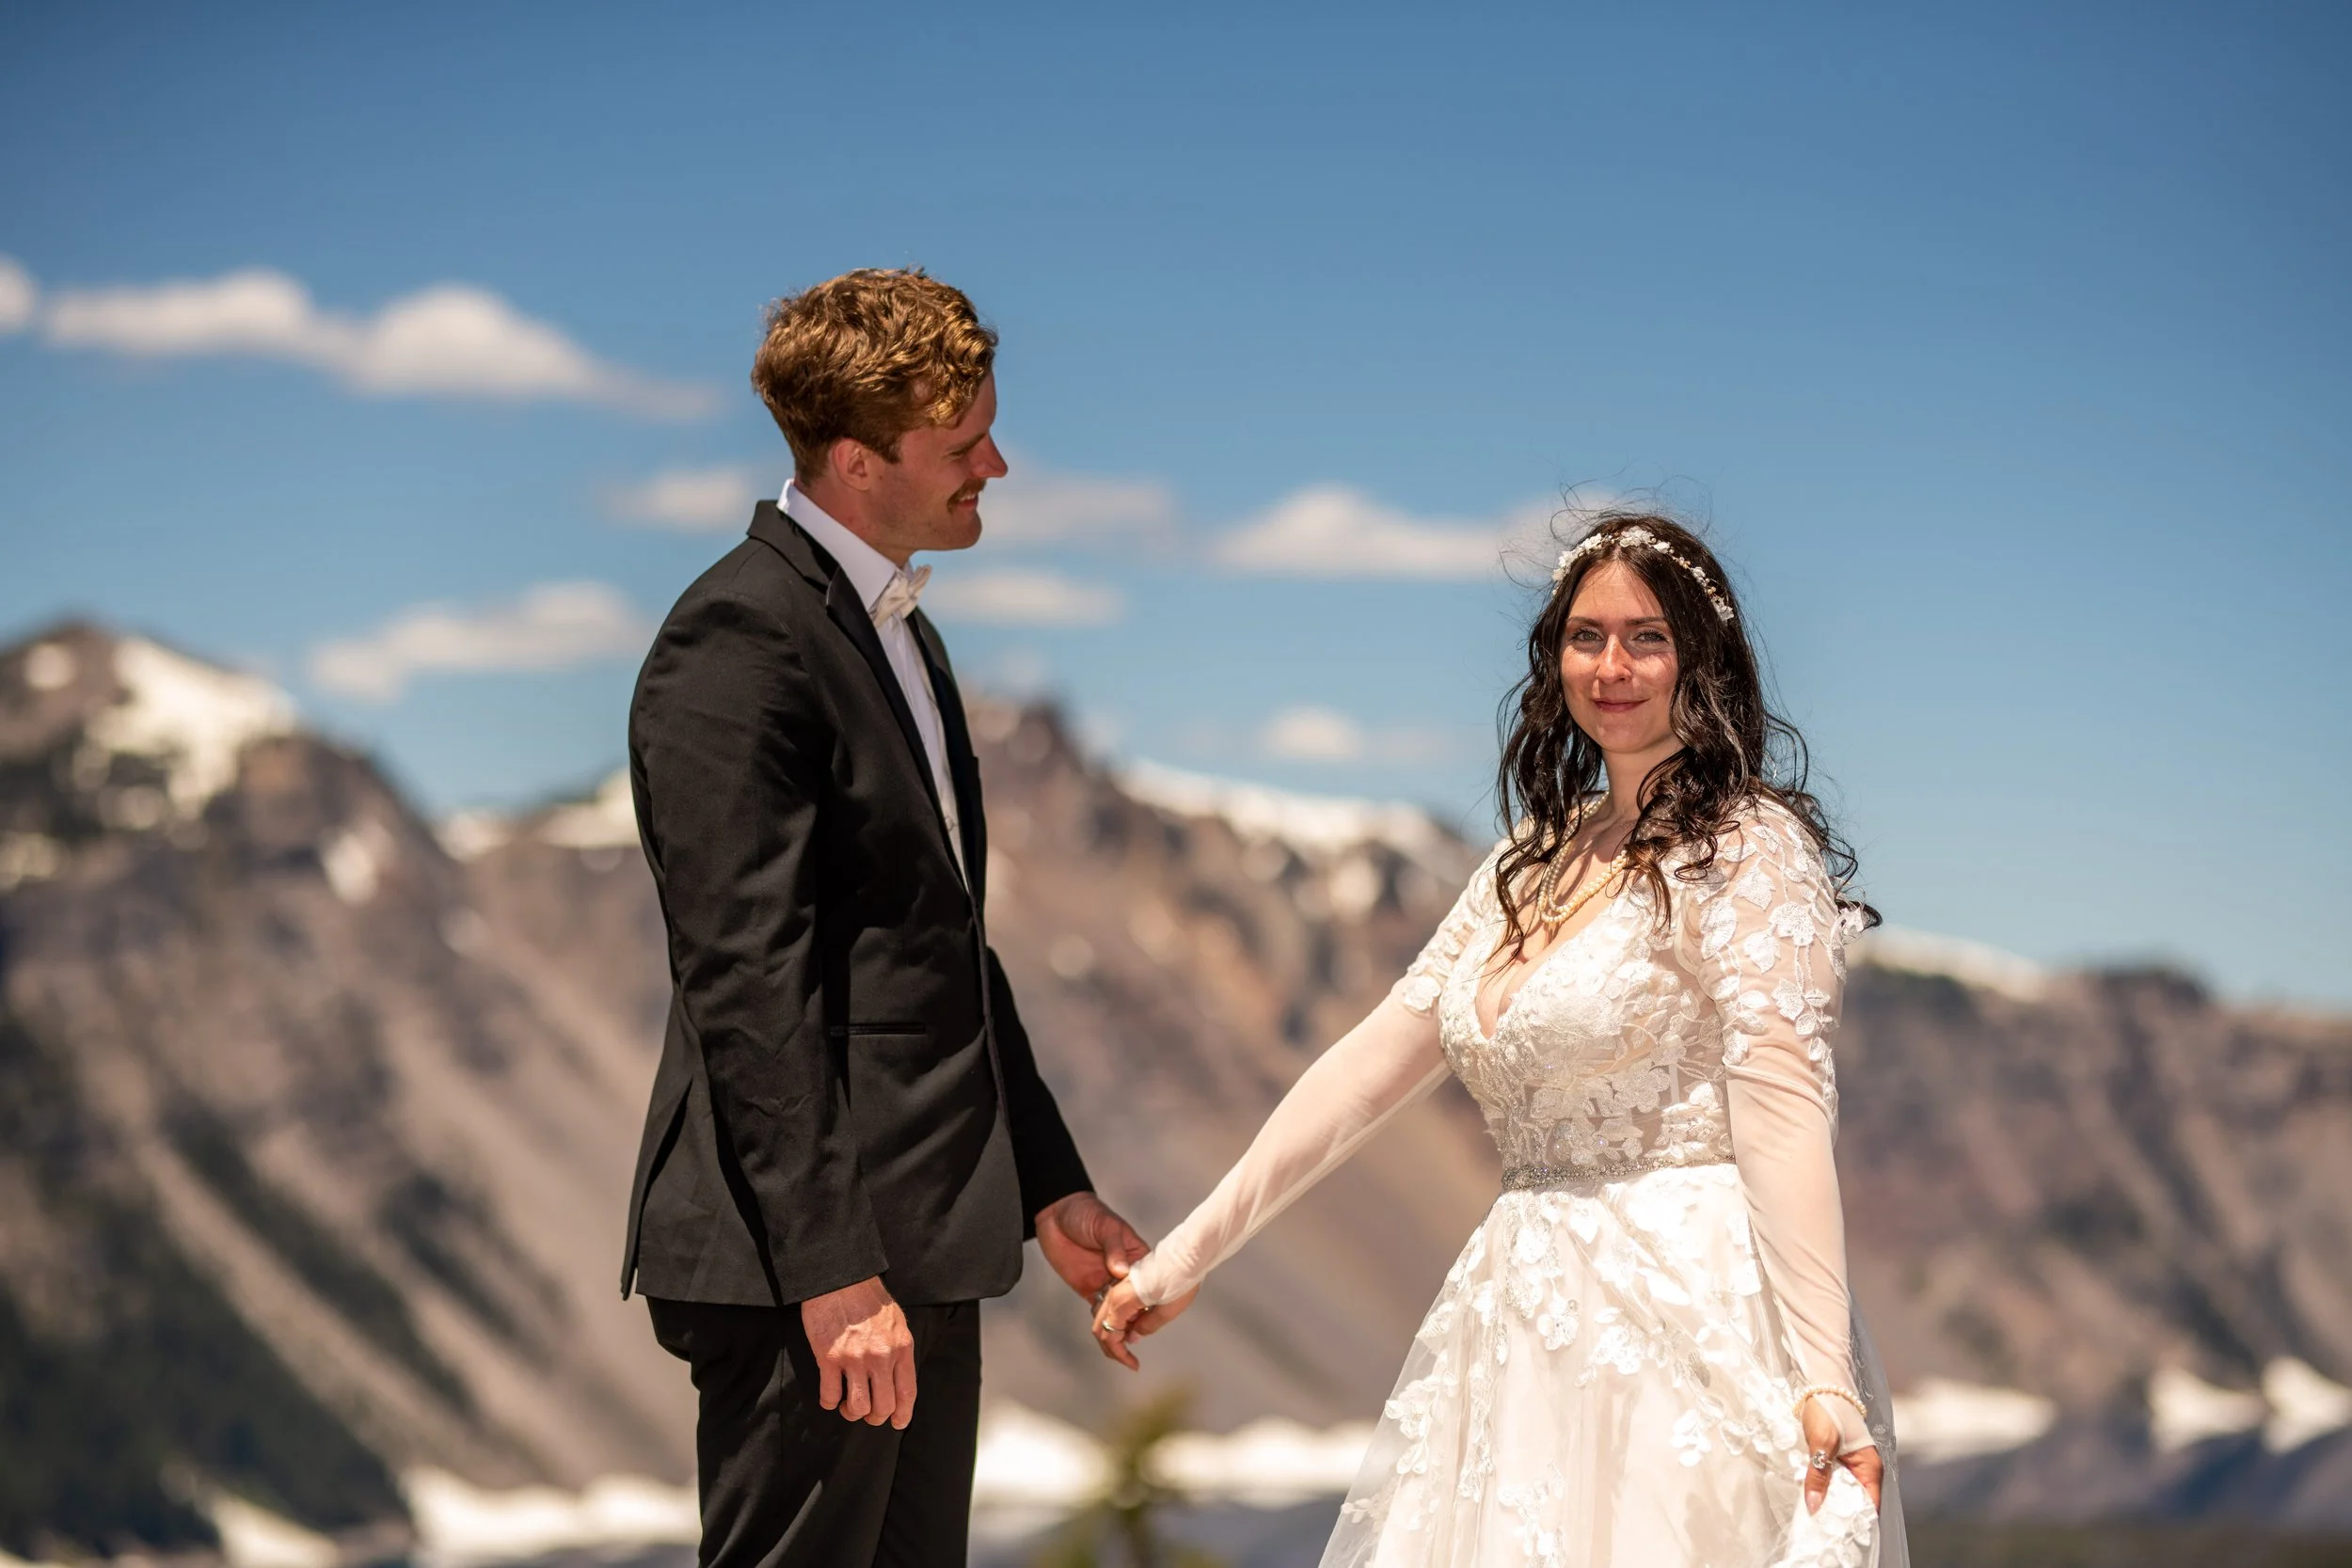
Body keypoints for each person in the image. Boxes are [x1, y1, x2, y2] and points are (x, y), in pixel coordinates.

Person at [1094, 515, 1909, 1567]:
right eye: (1585, 634)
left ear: (1701, 659)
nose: (1610, 665)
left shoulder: (1747, 848)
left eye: (1646, 636)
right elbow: (1364, 1069)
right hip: (1521, 1325)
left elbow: (1782, 1102)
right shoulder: (1528, 862)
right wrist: (1186, 1252)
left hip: (1698, 1323)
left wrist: (1823, 1377)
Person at [619, 268, 1148, 1568]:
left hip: (919, 1249)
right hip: (816, 1275)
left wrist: (1048, 1182)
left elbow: (939, 945)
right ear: (858, 460)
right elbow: (749, 977)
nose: (999, 465)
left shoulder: (898, 628)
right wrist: (831, 1269)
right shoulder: (738, 637)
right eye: (963, 445)